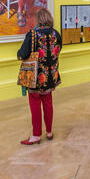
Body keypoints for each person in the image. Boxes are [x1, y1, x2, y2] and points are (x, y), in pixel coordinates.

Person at [18, 9, 62, 145]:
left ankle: (36, 135)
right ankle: (49, 132)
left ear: (39, 19)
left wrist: (19, 54)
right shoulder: (56, 34)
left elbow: (22, 54)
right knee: (48, 103)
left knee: (35, 104)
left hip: (35, 78)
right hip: (50, 76)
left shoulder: (33, 35)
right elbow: (58, 50)